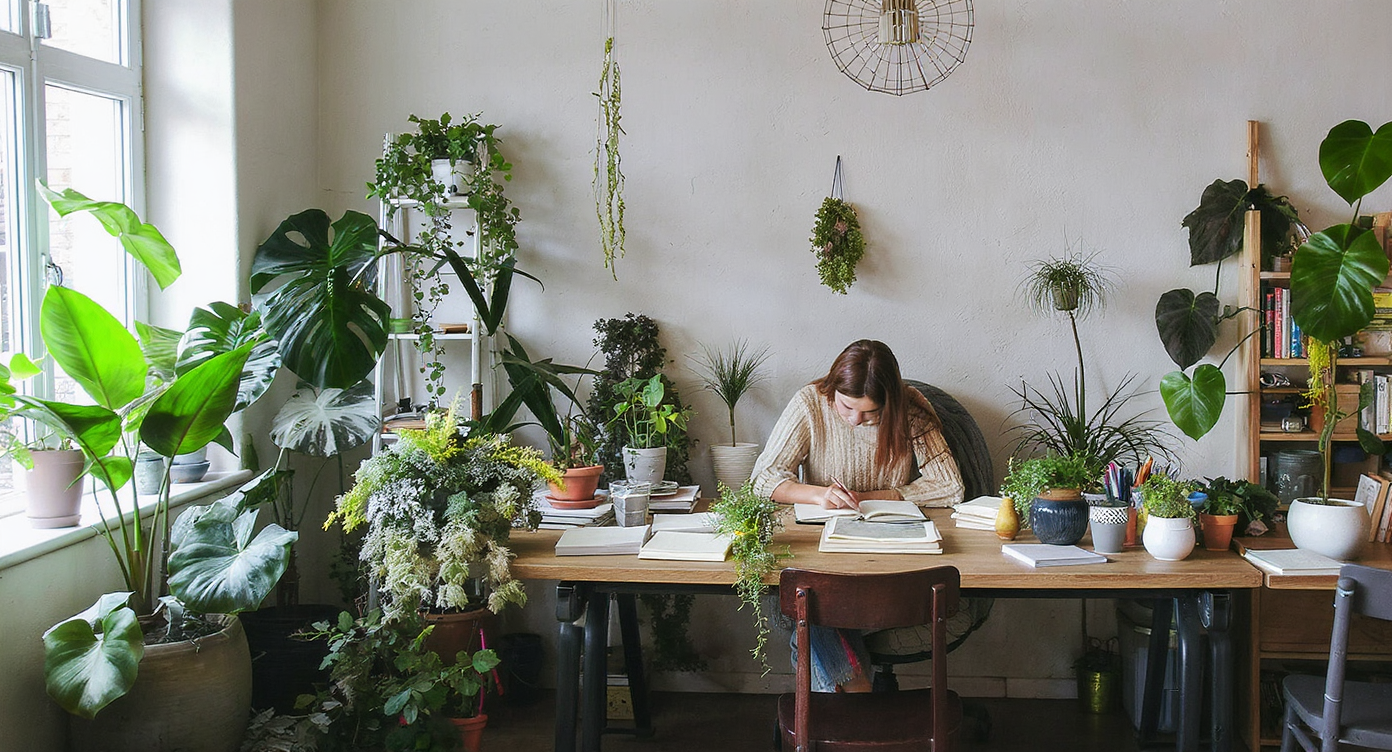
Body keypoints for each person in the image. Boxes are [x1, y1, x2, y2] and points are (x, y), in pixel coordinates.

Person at [749, 339, 964, 692]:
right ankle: (859, 700)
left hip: (893, 561)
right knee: (817, 601)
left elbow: (951, 486)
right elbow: (763, 480)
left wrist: (872, 497)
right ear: (833, 389)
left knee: (812, 616)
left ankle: (845, 710)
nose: (854, 420)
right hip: (825, 556)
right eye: (847, 406)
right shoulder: (810, 403)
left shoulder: (909, 410)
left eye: (870, 413)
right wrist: (821, 495)